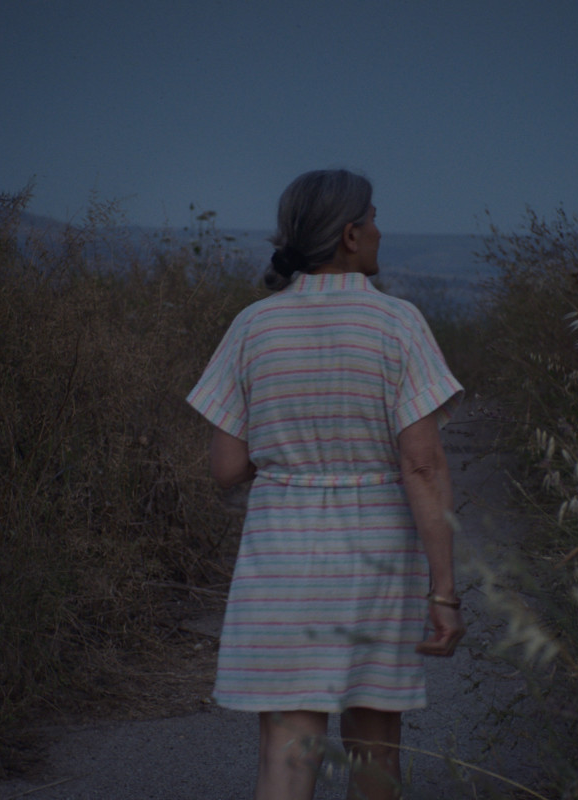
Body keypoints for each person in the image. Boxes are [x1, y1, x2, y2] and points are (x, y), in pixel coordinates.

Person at [187, 169, 465, 800]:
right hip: (374, 558)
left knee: (284, 760)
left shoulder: (253, 328)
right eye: (373, 217)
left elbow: (227, 468)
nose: (379, 229)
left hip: (279, 556)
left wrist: (290, 456)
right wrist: (444, 592)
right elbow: (422, 466)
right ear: (349, 234)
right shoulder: (398, 324)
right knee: (374, 753)